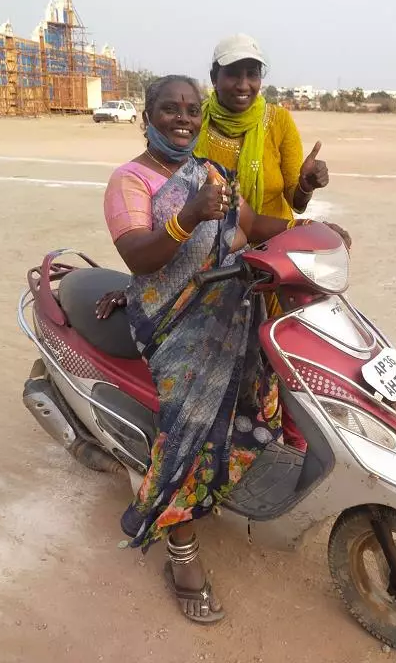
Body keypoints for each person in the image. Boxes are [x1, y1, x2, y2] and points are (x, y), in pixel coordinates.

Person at [102, 75, 350, 624]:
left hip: (229, 307)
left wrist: (307, 227)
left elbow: (256, 225)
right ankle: (180, 550)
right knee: (187, 425)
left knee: (264, 393)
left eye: (191, 109)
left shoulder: (211, 174)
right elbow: (139, 257)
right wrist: (187, 214)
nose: (183, 118)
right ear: (148, 115)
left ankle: (219, 483)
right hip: (172, 322)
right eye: (170, 109)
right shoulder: (130, 181)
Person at [195, 34, 330, 450]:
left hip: (274, 259)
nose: (243, 84)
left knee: (287, 354)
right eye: (233, 74)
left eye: (252, 74)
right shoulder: (194, 120)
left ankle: (295, 445)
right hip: (216, 261)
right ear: (215, 77)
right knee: (223, 359)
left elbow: (294, 197)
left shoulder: (278, 122)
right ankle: (229, 442)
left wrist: (306, 185)